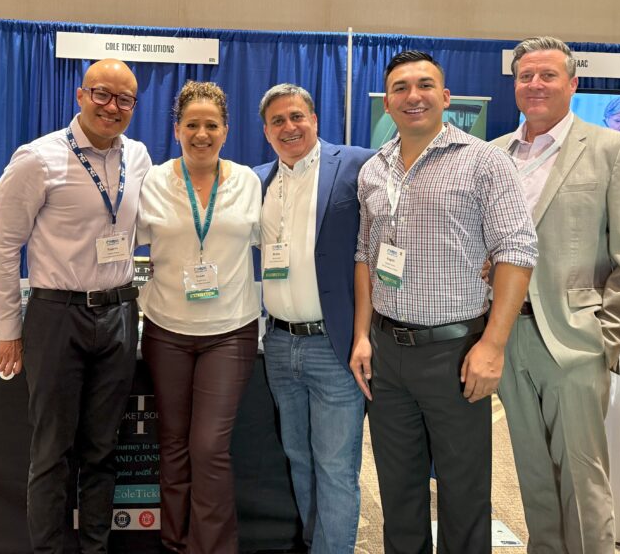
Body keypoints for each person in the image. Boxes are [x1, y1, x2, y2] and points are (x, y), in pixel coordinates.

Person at [351, 50, 537, 554]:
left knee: (463, 493)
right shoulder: (374, 169)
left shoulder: (483, 161)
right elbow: (365, 256)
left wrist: (493, 345)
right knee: (398, 492)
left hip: (455, 352)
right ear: (387, 102)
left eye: (425, 85)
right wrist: (362, 336)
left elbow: (517, 251)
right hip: (387, 352)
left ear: (446, 97)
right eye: (401, 88)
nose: (413, 96)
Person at [495, 36, 620, 554]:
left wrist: (603, 340)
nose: (535, 84)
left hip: (575, 341)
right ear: (514, 85)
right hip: (507, 337)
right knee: (533, 478)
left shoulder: (613, 150)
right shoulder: (494, 155)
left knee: (583, 483)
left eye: (548, 75)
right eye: (526, 76)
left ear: (572, 83)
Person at [0, 58, 151, 554]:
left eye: (125, 99)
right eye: (102, 94)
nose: (112, 107)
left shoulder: (139, 157)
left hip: (119, 314)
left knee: (102, 450)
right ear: (80, 95)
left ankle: (95, 549)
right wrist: (8, 329)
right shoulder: (38, 159)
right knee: (52, 452)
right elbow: (1, 246)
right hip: (58, 317)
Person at [137, 81, 261, 554]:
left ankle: (211, 548)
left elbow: (274, 242)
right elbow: (126, 241)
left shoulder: (248, 182)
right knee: (172, 444)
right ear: (177, 130)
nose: (202, 134)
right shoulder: (153, 181)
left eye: (211, 125)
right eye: (192, 125)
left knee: (208, 446)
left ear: (226, 131)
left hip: (229, 332)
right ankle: (174, 542)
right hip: (165, 330)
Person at [253, 84, 374, 554]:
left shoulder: (357, 164)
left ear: (315, 120)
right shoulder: (257, 181)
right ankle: (314, 543)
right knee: (299, 460)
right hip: (280, 345)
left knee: (336, 469)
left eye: (297, 116)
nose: (289, 127)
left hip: (334, 345)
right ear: (266, 132)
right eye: (278, 121)